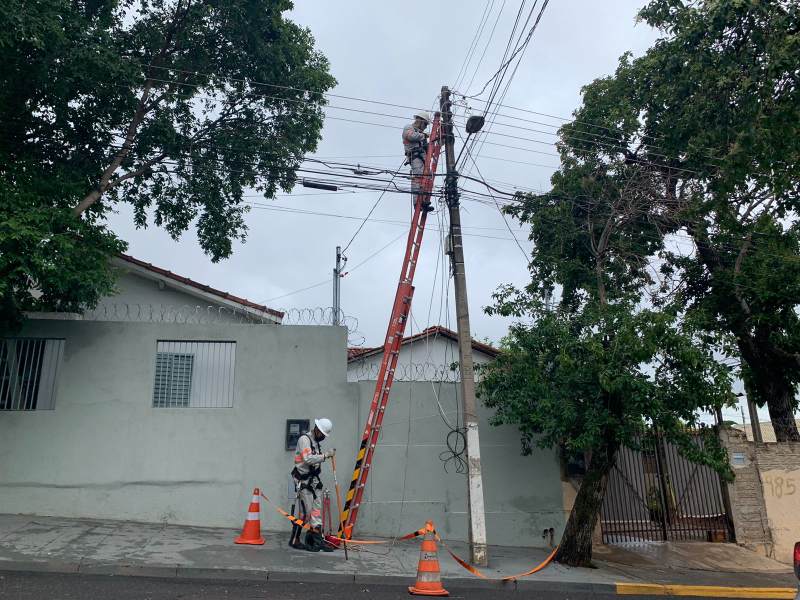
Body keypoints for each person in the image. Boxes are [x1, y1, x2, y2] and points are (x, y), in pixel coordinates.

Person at [290, 417, 335, 552]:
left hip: (313, 480)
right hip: (303, 480)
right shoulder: (304, 440)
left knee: (316, 511)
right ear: (317, 429)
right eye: (322, 434)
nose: (323, 437)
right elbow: (308, 459)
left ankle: (316, 540)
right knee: (306, 513)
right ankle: (295, 540)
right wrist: (325, 456)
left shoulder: (315, 442)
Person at [402, 111, 434, 211]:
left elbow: (427, 148)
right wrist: (424, 135)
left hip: (423, 158)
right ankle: (417, 203)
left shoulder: (421, 134)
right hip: (415, 156)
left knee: (429, 177)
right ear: (420, 120)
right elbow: (411, 136)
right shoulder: (409, 127)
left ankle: (425, 200)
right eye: (425, 124)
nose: (425, 127)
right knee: (418, 177)